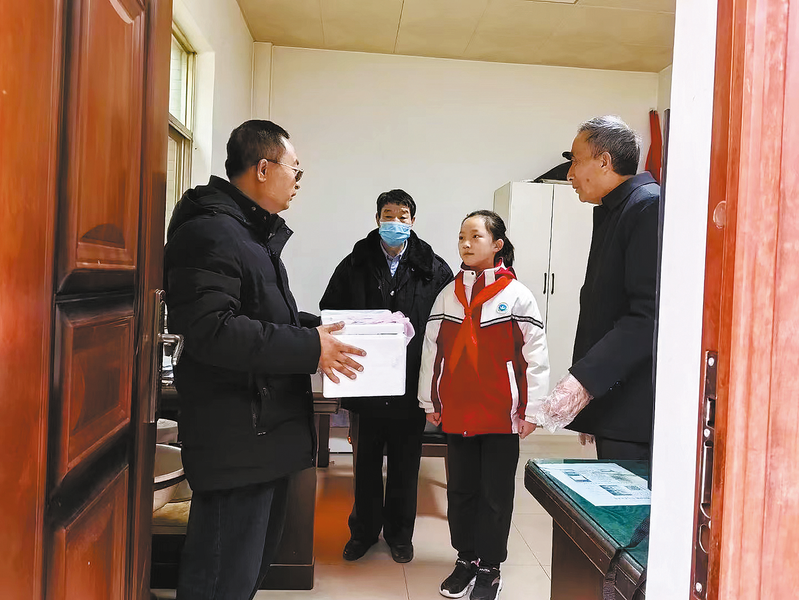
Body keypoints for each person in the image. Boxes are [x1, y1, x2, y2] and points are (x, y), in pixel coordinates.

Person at [164, 119, 365, 600]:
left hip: (261, 438)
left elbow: (263, 314)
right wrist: (311, 347)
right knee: (221, 580)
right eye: (295, 170)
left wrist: (330, 329)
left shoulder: (249, 234)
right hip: (237, 440)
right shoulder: (212, 232)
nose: (298, 182)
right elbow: (212, 331)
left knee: (245, 573)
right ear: (262, 168)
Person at [418, 210, 549, 600]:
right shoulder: (448, 294)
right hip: (457, 411)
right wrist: (429, 399)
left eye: (475, 236)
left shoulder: (517, 295)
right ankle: (466, 559)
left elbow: (535, 357)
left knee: (495, 494)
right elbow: (432, 352)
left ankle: (490, 566)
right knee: (460, 491)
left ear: (497, 244)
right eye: (462, 236)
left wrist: (533, 410)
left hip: (500, 415)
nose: (466, 243)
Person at [320, 189, 453, 563]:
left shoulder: (433, 267)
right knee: (364, 463)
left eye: (402, 216)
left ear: (413, 221)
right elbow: (330, 310)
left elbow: (446, 323)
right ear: (378, 219)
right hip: (367, 380)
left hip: (411, 383)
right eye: (388, 215)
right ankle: (362, 532)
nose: (395, 222)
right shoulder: (355, 262)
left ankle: (399, 535)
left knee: (405, 464)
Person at [535, 115, 660, 462]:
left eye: (575, 161)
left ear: (604, 161)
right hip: (614, 401)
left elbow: (647, 316)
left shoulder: (647, 206)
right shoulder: (615, 210)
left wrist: (585, 382)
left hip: (634, 407)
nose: (569, 174)